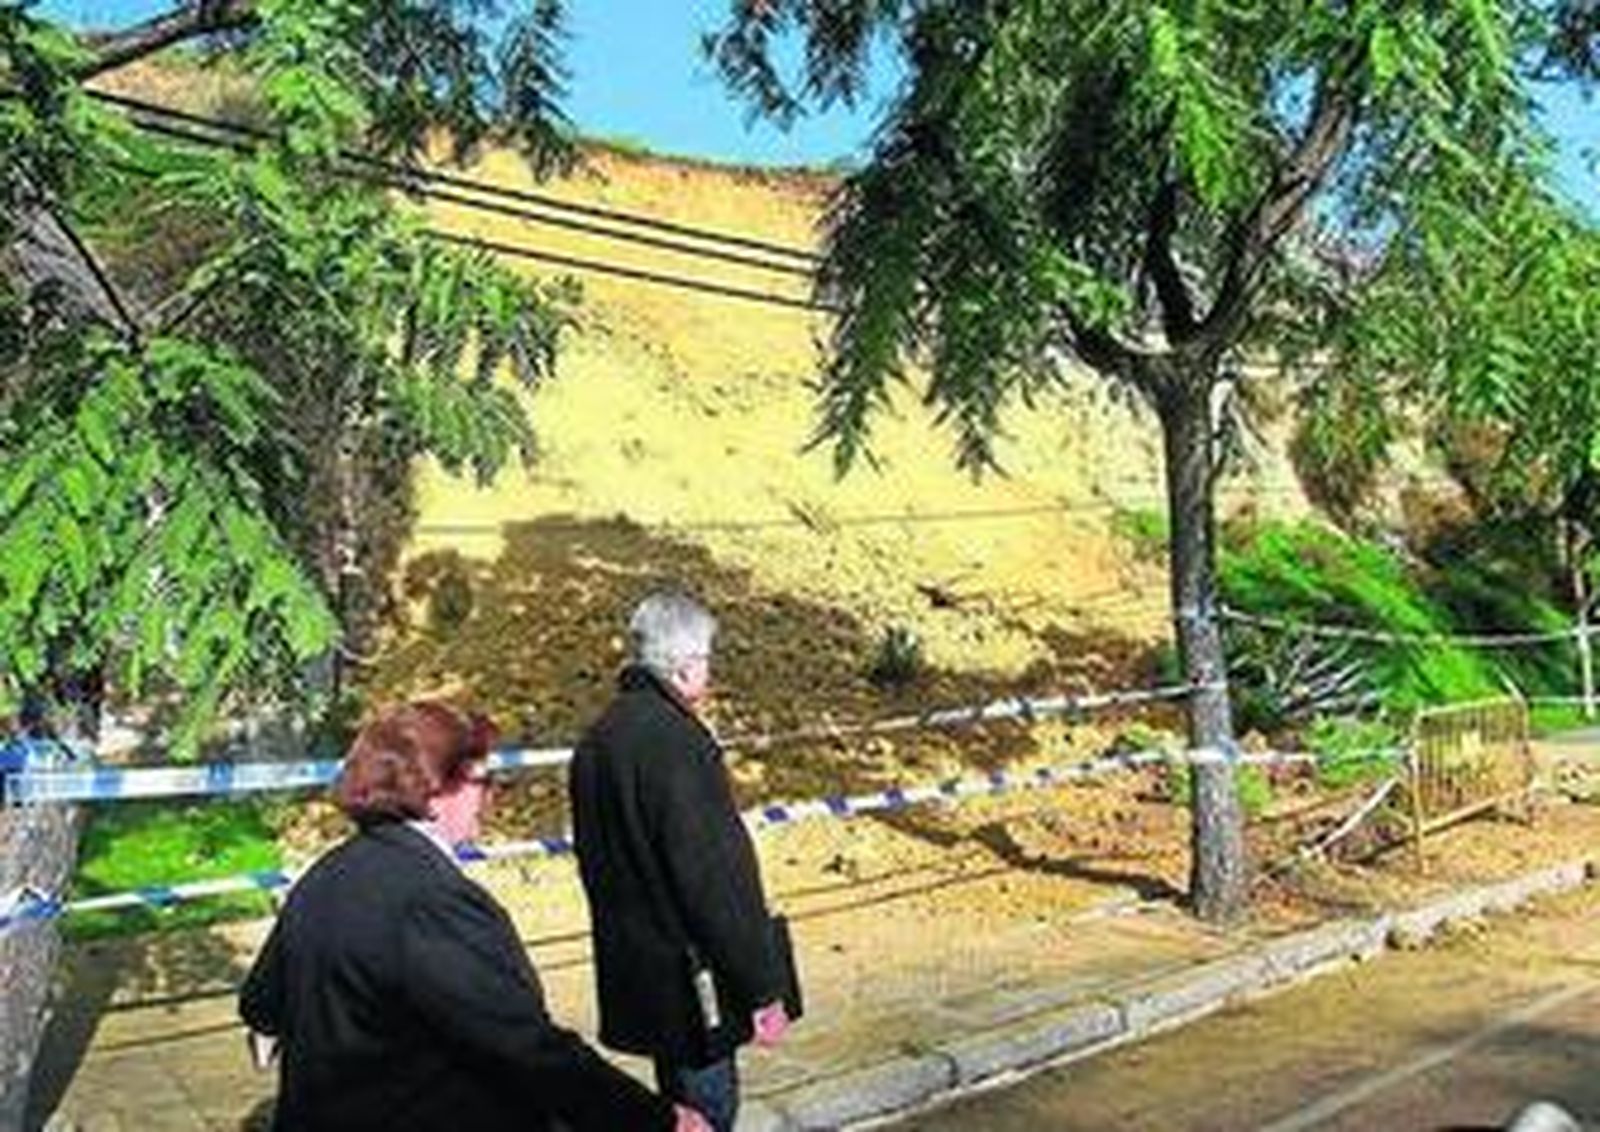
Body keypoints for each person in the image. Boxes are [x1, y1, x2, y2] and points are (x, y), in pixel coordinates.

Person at [239, 700, 708, 1132]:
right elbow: (525, 1046)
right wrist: (657, 1119)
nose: (491, 800)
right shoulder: (433, 902)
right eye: (483, 783)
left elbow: (261, 1002)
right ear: (433, 789)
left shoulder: (326, 875)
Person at [570, 592, 792, 1132]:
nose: (710, 674)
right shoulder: (679, 743)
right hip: (697, 981)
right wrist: (762, 986)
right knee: (707, 1114)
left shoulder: (597, 741)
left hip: (637, 967)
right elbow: (715, 879)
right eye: (708, 660)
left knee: (675, 1113)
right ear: (687, 665)